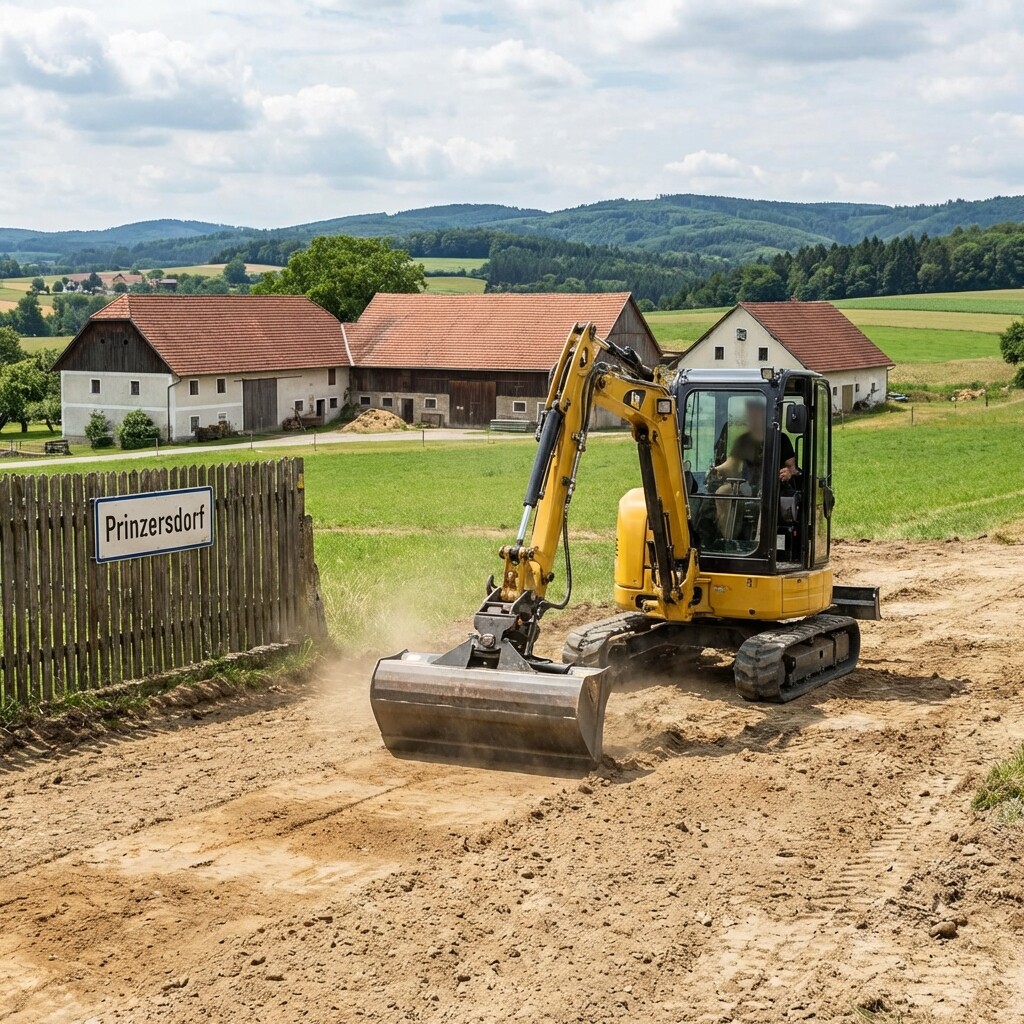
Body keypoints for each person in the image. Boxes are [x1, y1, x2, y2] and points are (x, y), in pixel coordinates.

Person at [707, 399, 798, 539]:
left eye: (756, 415)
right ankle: (727, 540)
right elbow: (731, 465)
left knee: (766, 500)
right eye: (750, 415)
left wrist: (788, 473)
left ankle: (761, 542)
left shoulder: (780, 439)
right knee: (723, 491)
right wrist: (715, 470)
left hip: (771, 489)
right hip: (746, 488)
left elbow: (792, 468)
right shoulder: (744, 440)